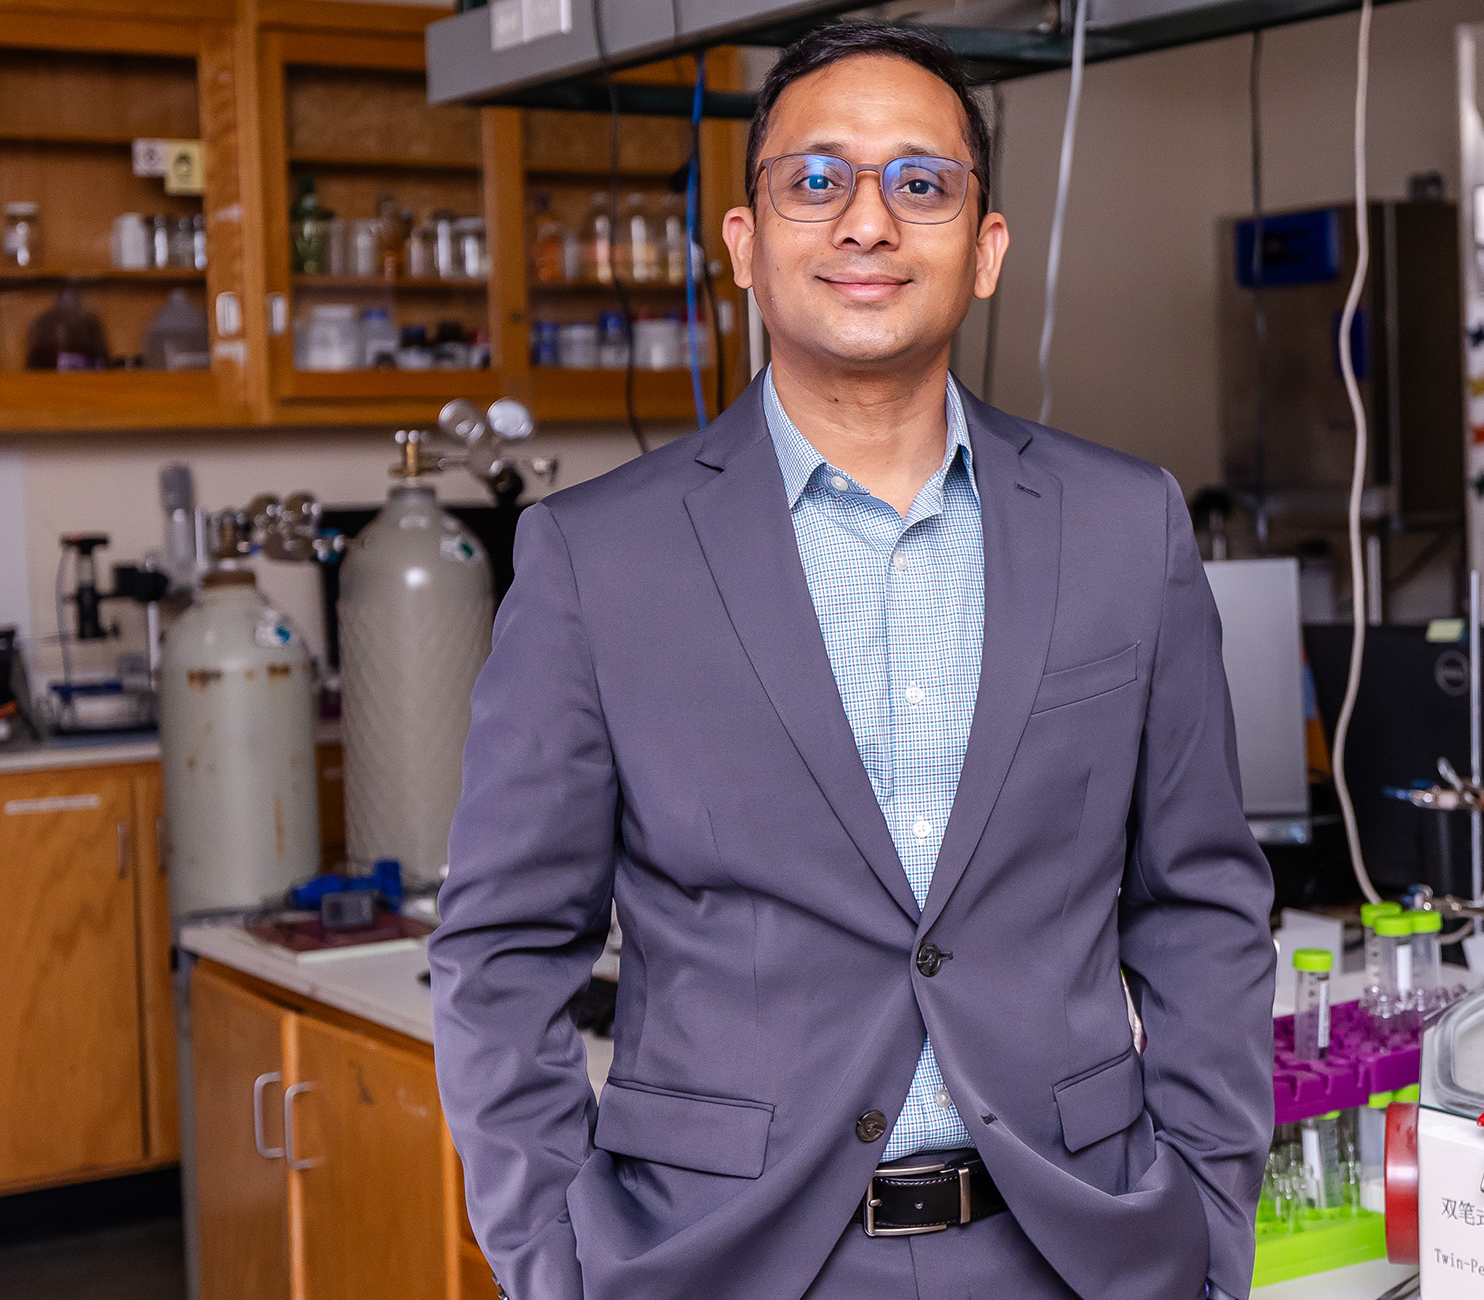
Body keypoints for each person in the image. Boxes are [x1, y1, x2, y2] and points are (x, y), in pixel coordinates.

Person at [429, 20, 1276, 1300]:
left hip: (1076, 1252)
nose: (866, 222)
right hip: (725, 1261)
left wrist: (1211, 1225)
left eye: (919, 184)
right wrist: (556, 1268)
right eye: (814, 180)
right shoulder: (593, 560)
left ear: (984, 250)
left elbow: (1201, 905)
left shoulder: (1124, 526)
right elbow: (499, 954)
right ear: (744, 242)